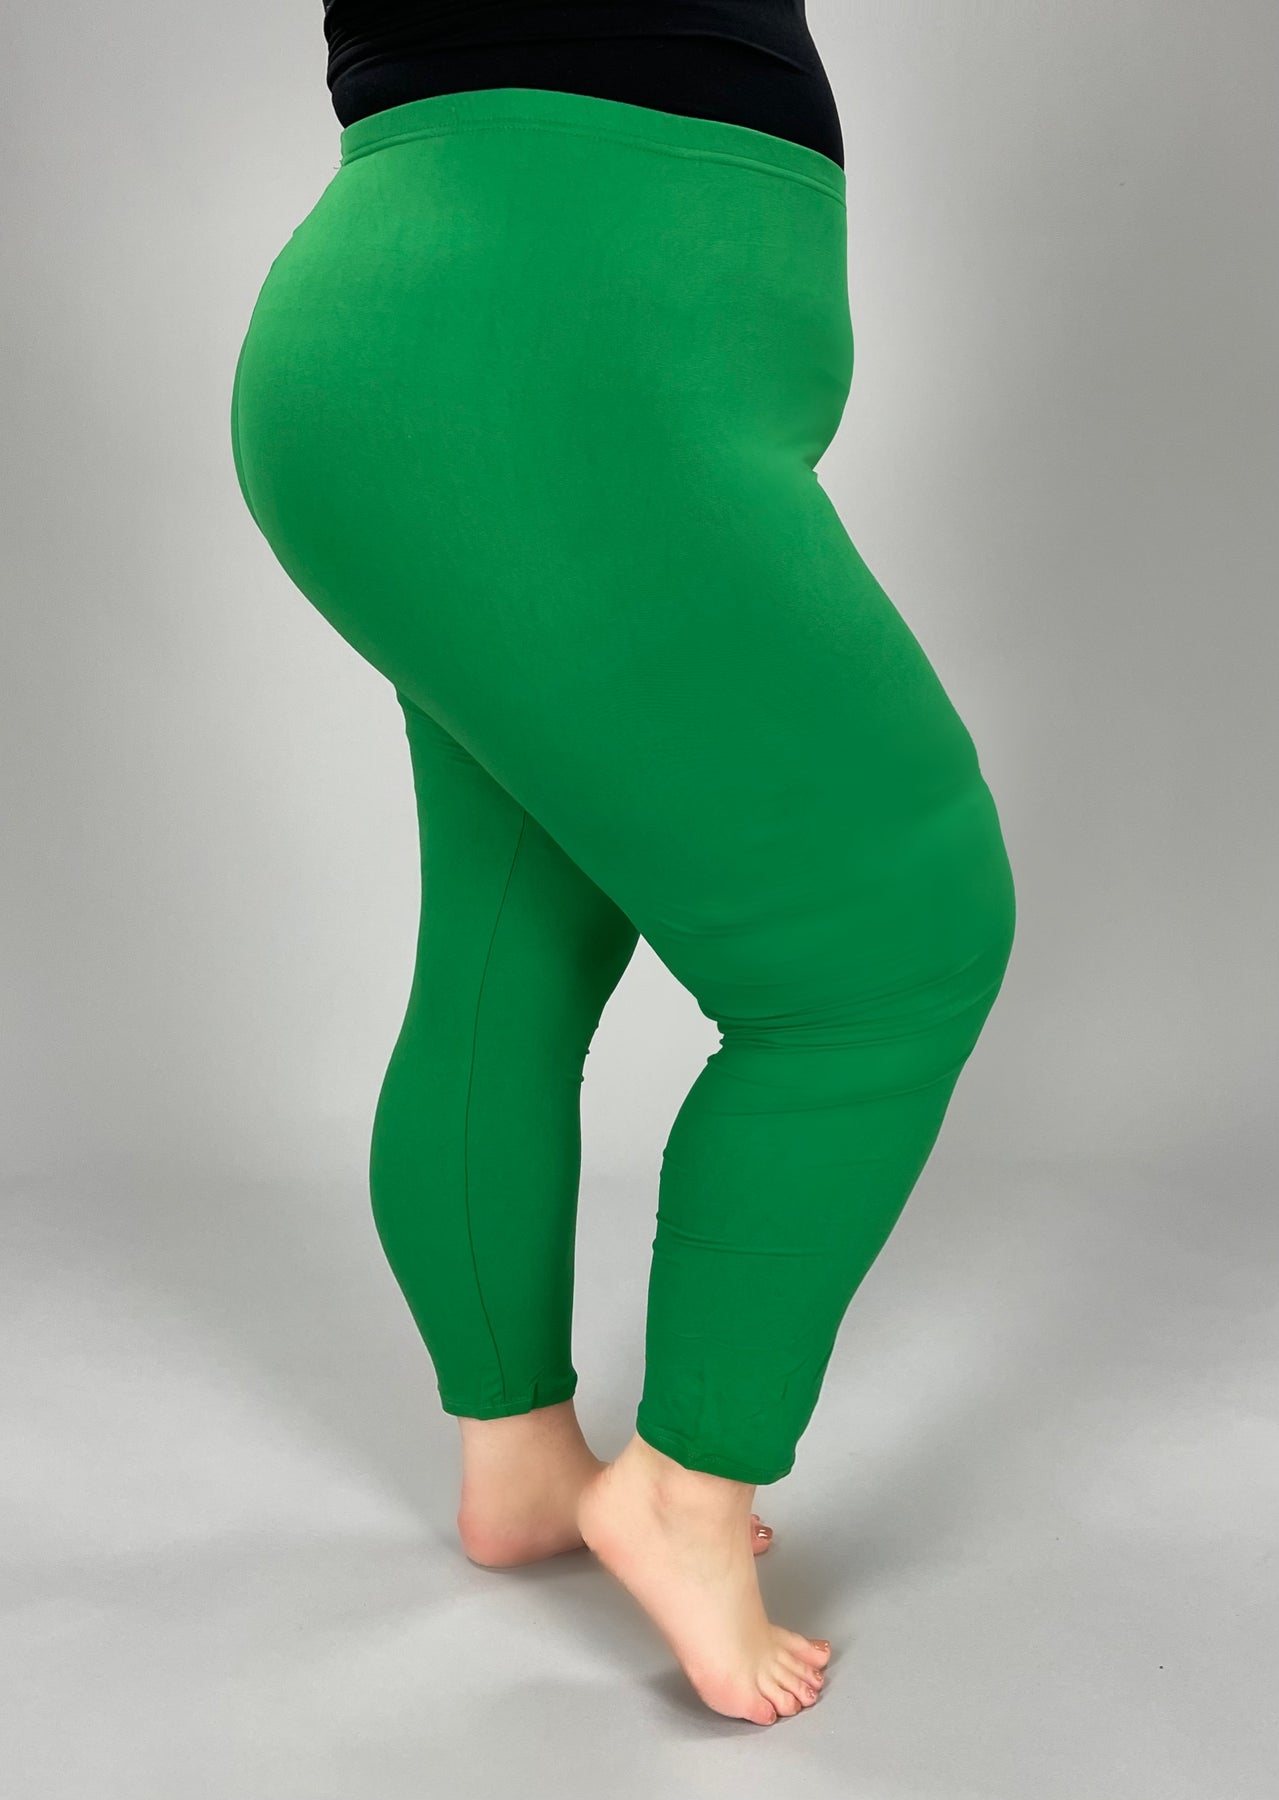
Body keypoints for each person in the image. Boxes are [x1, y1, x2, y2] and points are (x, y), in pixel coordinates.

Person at [229, 1, 1017, 1729]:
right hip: (551, 332)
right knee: (891, 948)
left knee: (510, 944)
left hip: (459, 311)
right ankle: (686, 1484)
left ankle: (516, 1459)